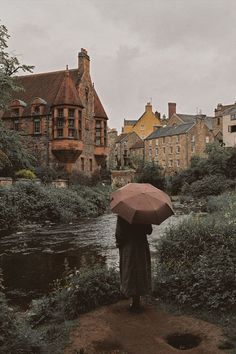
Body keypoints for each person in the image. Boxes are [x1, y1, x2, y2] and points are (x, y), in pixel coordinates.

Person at [115, 215, 153, 312]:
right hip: (141, 246)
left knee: (130, 270)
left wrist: (119, 243)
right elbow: (149, 230)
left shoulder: (123, 215)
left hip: (129, 246)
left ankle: (133, 300)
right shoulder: (144, 213)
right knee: (140, 270)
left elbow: (119, 234)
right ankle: (137, 301)